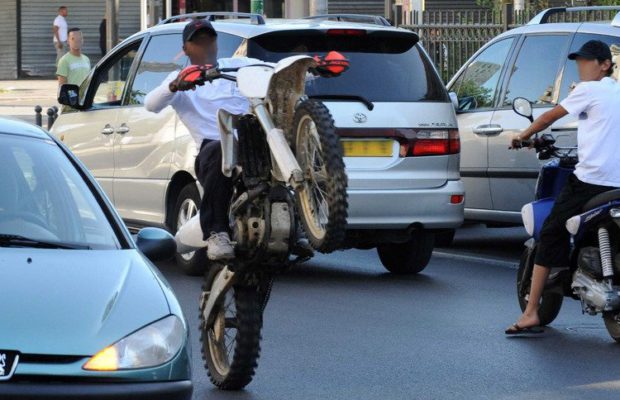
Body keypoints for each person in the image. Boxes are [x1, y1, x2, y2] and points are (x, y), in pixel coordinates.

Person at [506, 40, 620, 334]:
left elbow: (550, 116)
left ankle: (531, 312)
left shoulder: (588, 90)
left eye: (587, 61)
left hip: (591, 182)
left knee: (550, 232)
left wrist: (523, 135)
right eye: (578, 61)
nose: (581, 66)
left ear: (605, 64)